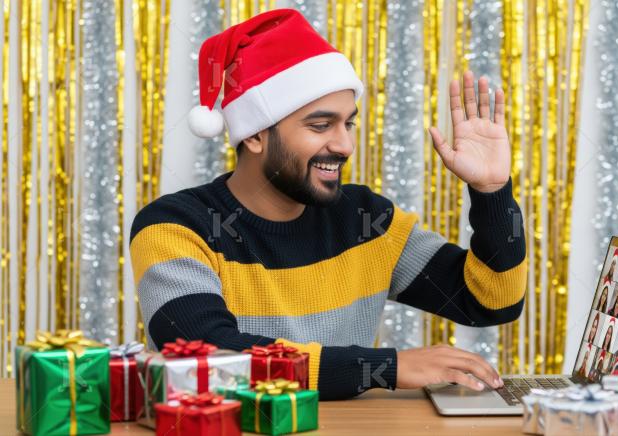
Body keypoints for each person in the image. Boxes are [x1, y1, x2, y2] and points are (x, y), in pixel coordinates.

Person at [130, 10, 527, 400]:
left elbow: (491, 302)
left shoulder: (366, 221)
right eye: (320, 126)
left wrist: (492, 192)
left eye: (348, 123)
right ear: (254, 135)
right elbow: (212, 360)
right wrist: (384, 368)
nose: (344, 145)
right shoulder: (174, 227)